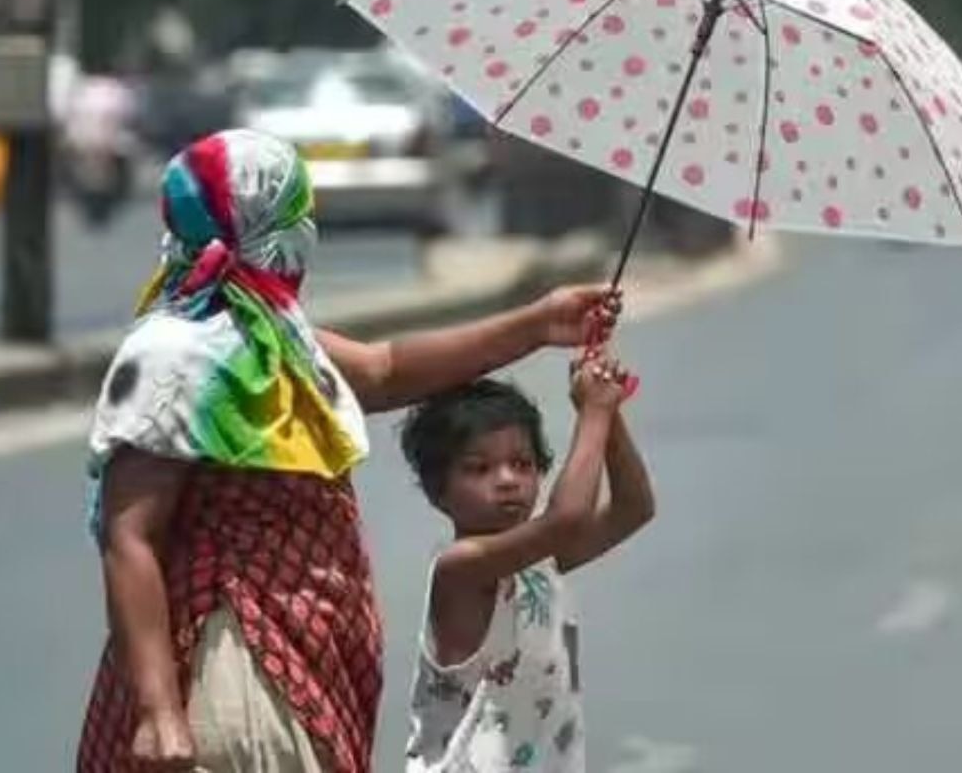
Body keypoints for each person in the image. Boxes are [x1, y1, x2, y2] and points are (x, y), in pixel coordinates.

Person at [75, 129, 621, 773]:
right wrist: (159, 711)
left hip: (305, 659)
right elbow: (128, 536)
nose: (305, 232)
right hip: (233, 659)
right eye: (293, 215)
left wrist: (537, 325)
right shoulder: (173, 353)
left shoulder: (277, 336)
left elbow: (387, 370)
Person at [399, 351, 654, 772]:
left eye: (522, 464)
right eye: (479, 469)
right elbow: (567, 519)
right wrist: (594, 411)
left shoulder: (539, 562)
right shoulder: (460, 568)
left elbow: (634, 507)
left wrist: (609, 415)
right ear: (436, 491)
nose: (507, 480)